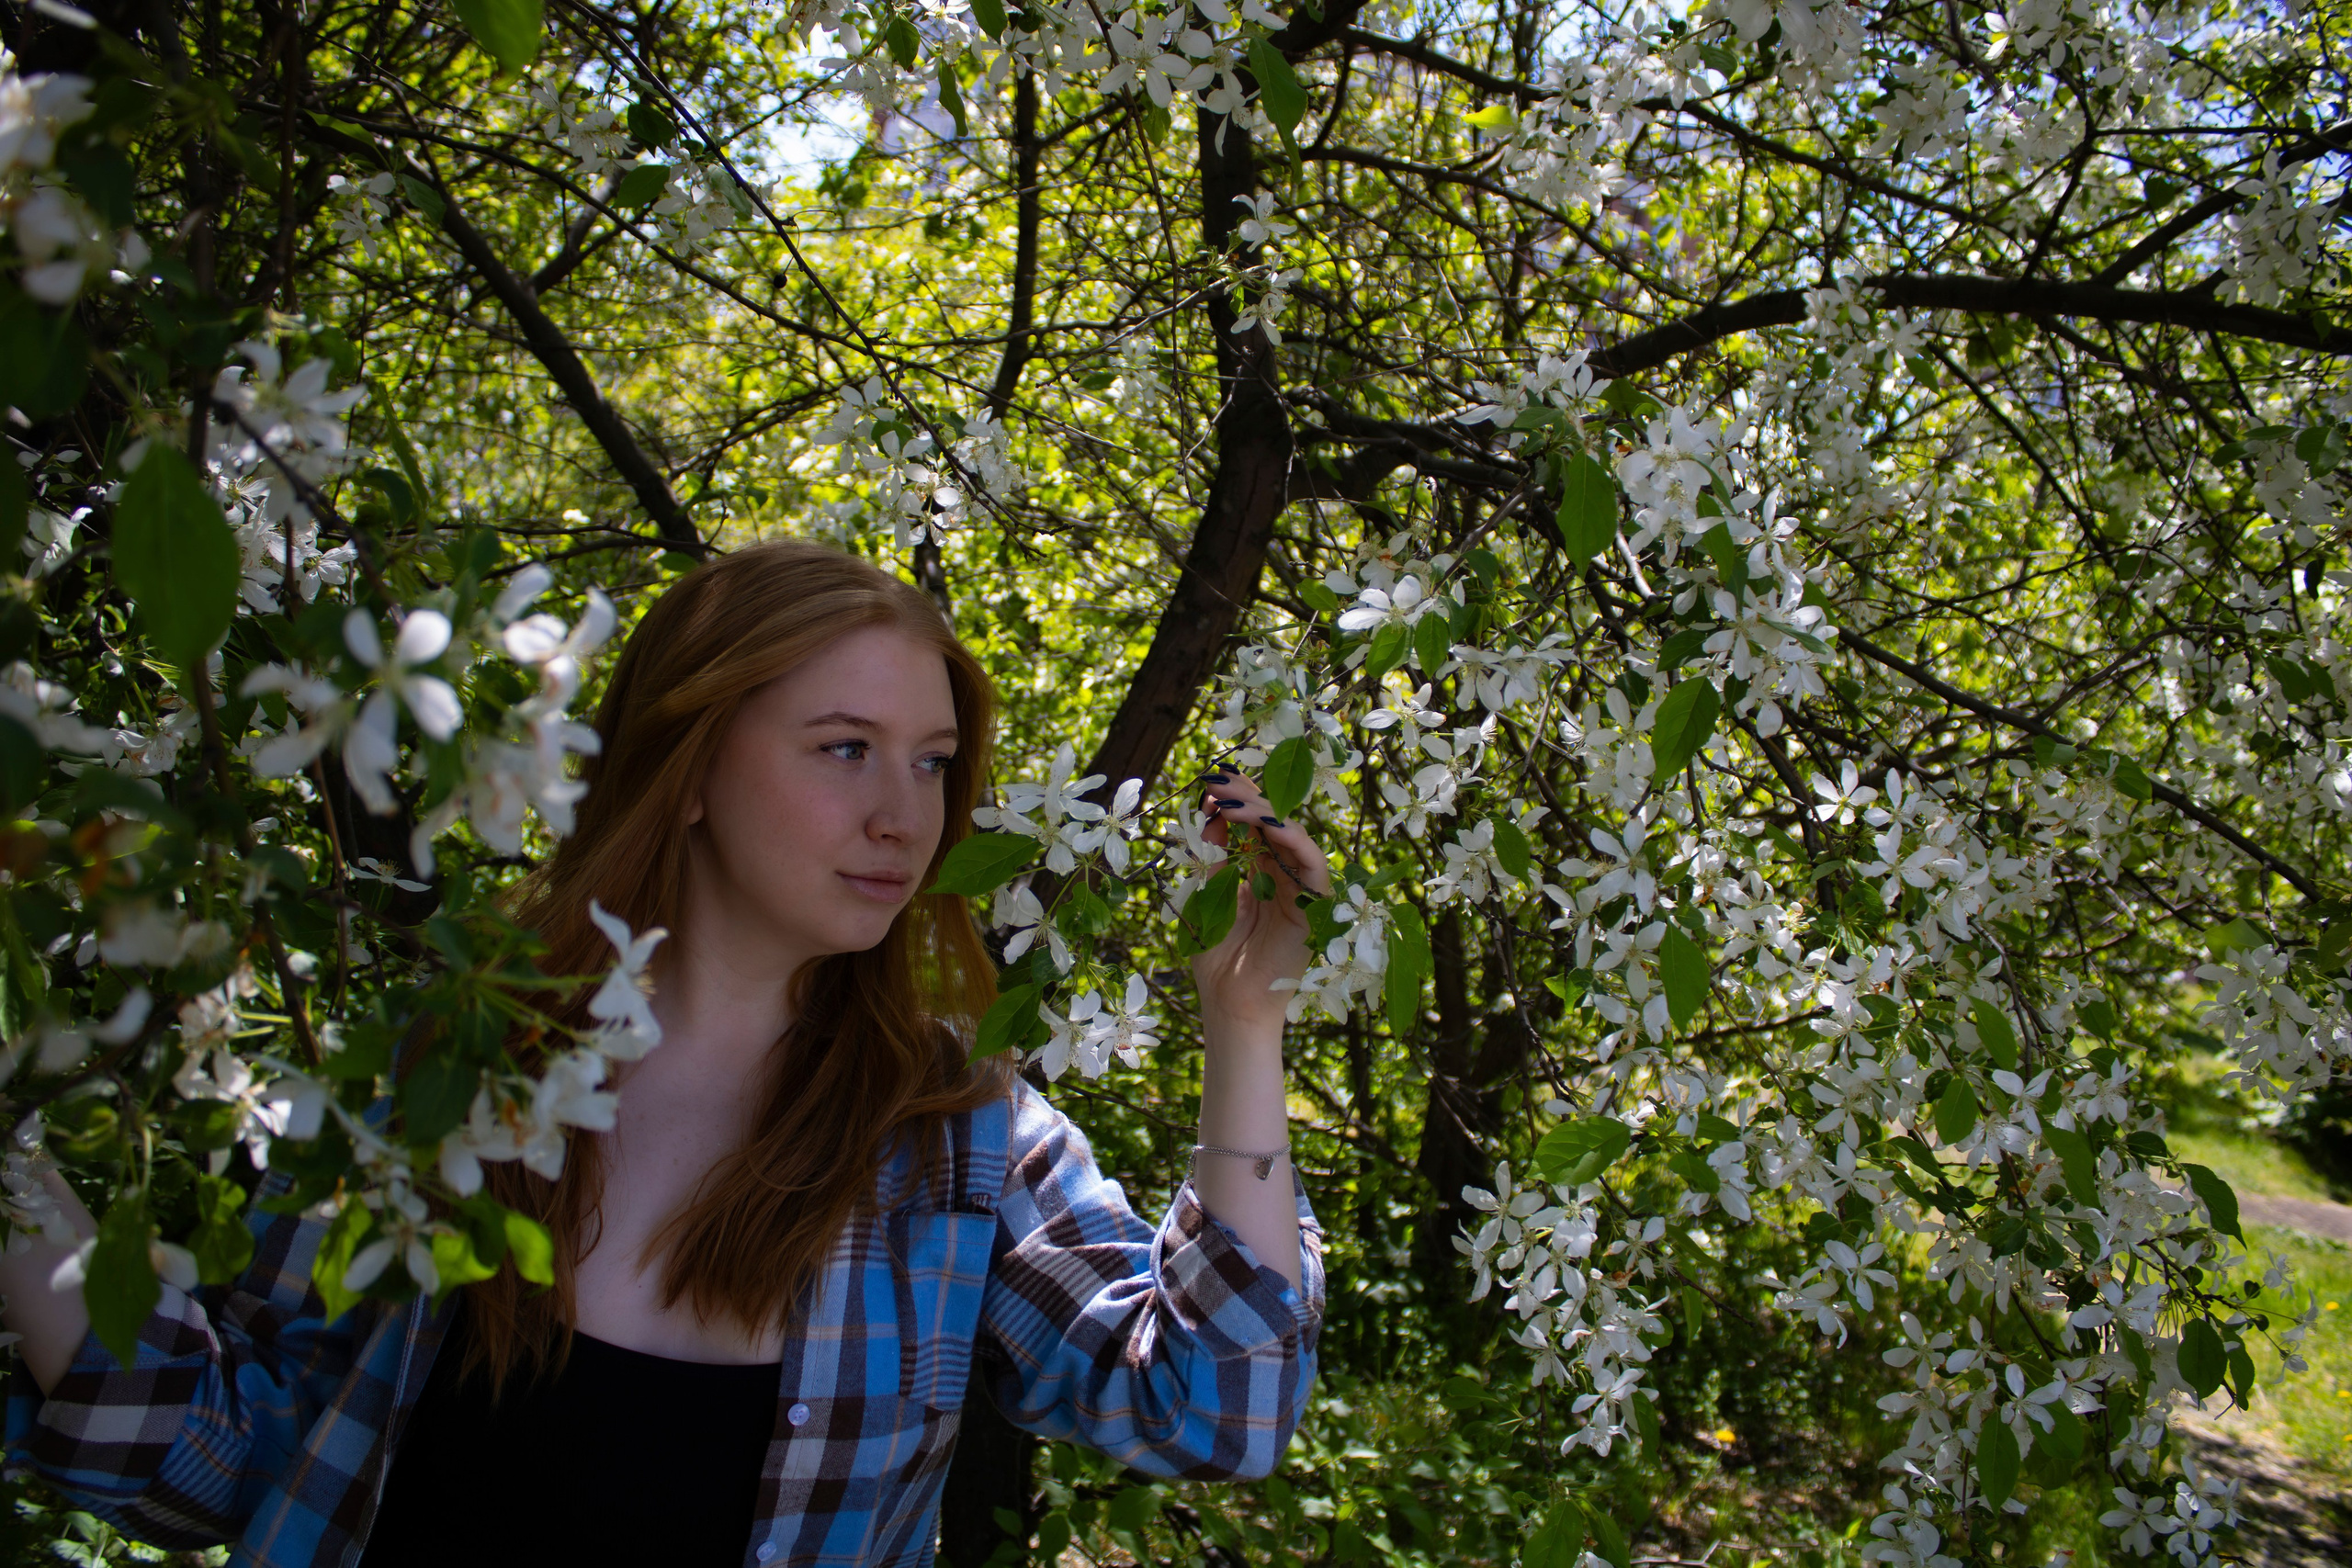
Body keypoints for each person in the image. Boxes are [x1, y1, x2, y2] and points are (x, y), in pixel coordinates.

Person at [0, 540, 1329, 1566]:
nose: (900, 815)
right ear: (689, 767)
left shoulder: (956, 1139)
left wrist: (1246, 1015)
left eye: (931, 764)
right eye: (845, 750)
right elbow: (231, 1456)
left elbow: (1219, 1404)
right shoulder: (445, 1065)